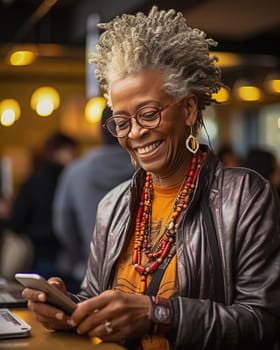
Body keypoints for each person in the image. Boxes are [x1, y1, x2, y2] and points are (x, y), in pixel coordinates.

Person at [22, 7, 280, 350]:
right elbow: (97, 297)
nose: (136, 134)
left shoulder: (244, 195)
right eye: (122, 122)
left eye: (148, 114)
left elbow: (264, 321)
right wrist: (66, 307)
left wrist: (159, 315)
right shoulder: (112, 205)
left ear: (187, 109)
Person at [53, 106, 135, 292]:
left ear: (100, 131)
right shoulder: (151, 171)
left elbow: (63, 224)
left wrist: (81, 257)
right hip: (140, 278)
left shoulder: (75, 172)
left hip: (87, 275)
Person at [9, 132, 79, 278]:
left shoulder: (32, 181)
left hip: (37, 253)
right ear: (59, 151)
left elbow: (17, 221)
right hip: (64, 254)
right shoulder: (72, 180)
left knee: (38, 296)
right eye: (71, 151)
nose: (74, 157)